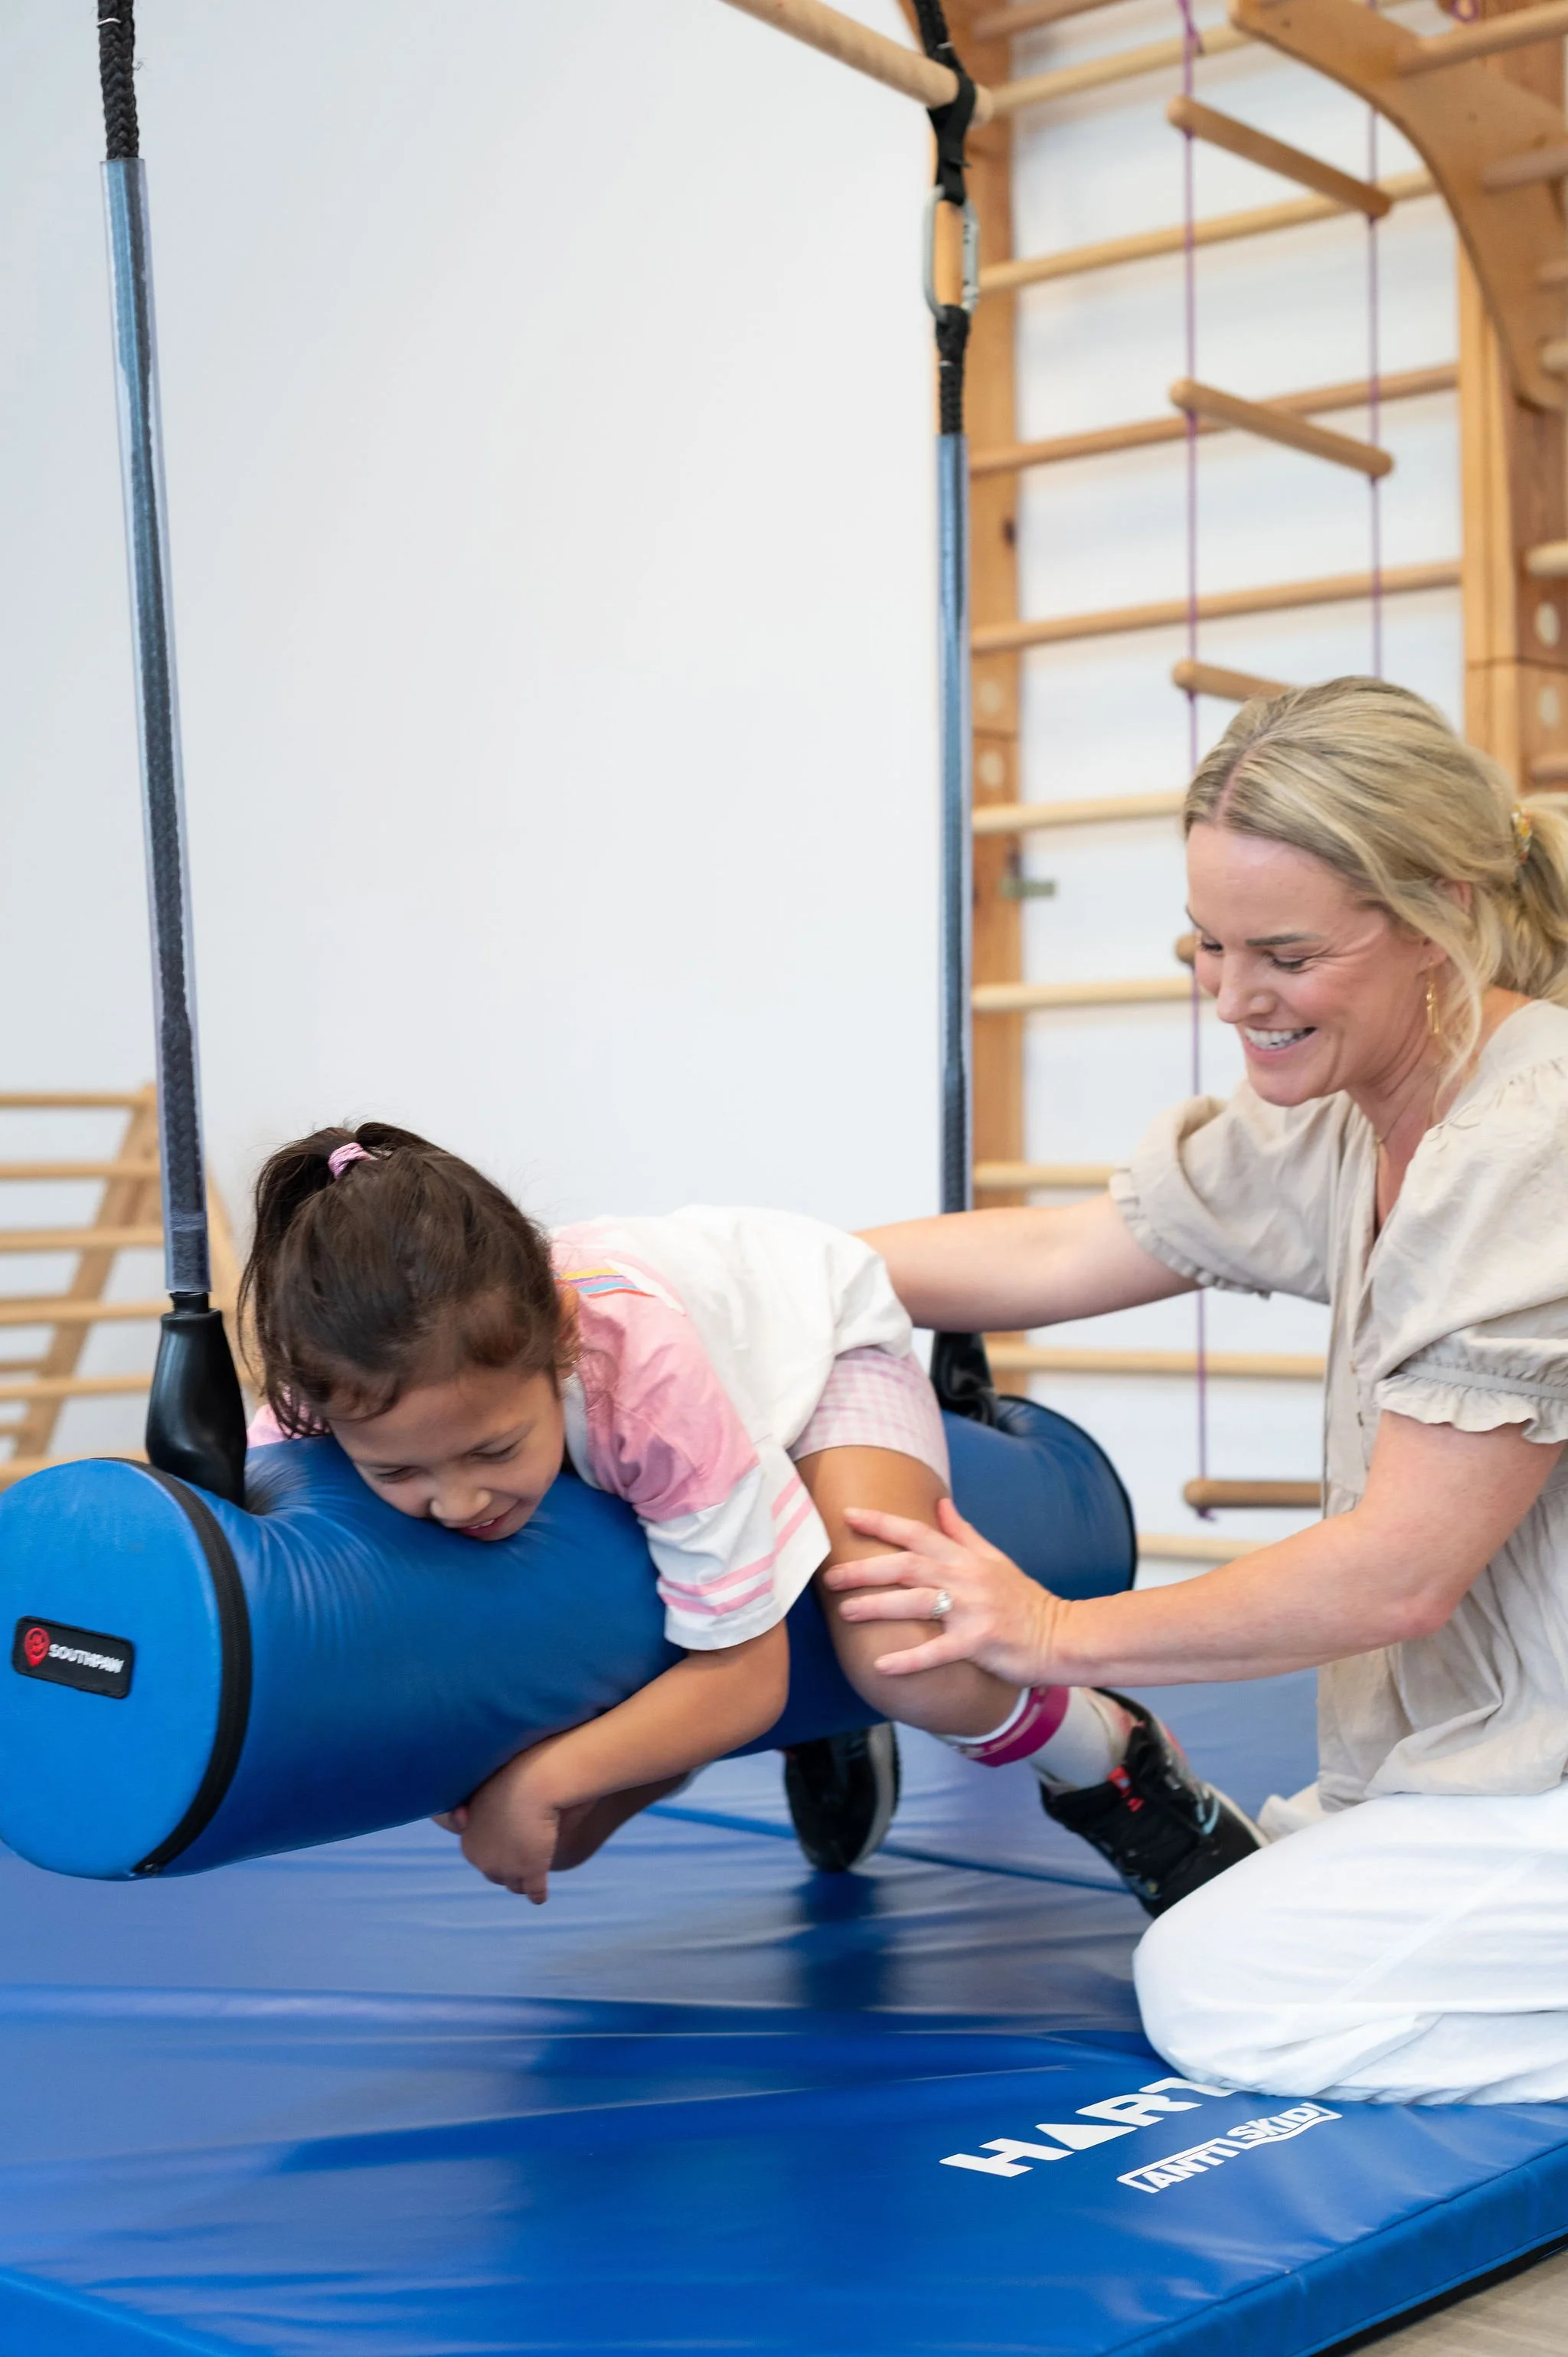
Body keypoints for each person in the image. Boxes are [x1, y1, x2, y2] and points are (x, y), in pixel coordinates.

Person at [836, 675, 1568, 2105]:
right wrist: (725, 1270)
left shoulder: (1524, 1138)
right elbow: (1056, 1250)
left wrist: (1049, 1629)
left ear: (1441, 912)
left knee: (1213, 1983)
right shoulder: (1361, 1102)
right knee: (1254, 1915)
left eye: (1285, 954)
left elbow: (1399, 1575)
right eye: (1208, 946)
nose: (1236, 998)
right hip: (1485, 1767)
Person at [239, 1138, 1256, 1908]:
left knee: (902, 1646)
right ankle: (813, 1727)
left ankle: (1116, 1761)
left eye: (495, 1451)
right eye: (401, 1470)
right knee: (575, 1831)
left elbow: (746, 1672)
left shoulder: (639, 1378)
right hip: (681, 1427)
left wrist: (543, 1776)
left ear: (554, 1355)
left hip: (815, 1349)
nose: (459, 1500)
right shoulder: (316, 1409)